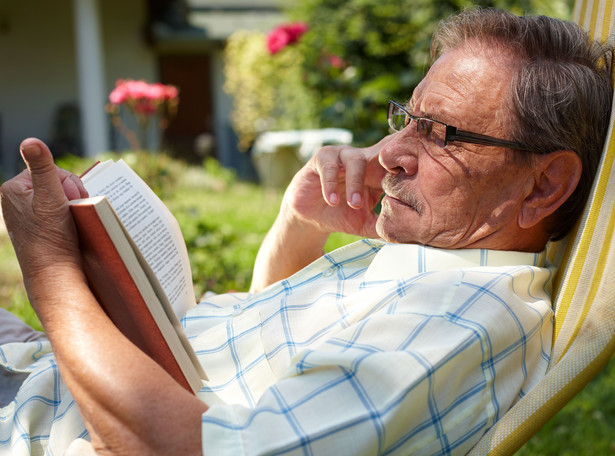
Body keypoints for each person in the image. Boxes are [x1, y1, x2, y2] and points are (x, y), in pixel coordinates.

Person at [0, 7, 612, 456]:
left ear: (542, 187)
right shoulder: (434, 261)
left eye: (441, 133)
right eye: (407, 117)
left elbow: (189, 451)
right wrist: (300, 221)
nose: (392, 151)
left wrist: (51, 271)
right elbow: (276, 344)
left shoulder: (460, 322)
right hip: (39, 373)